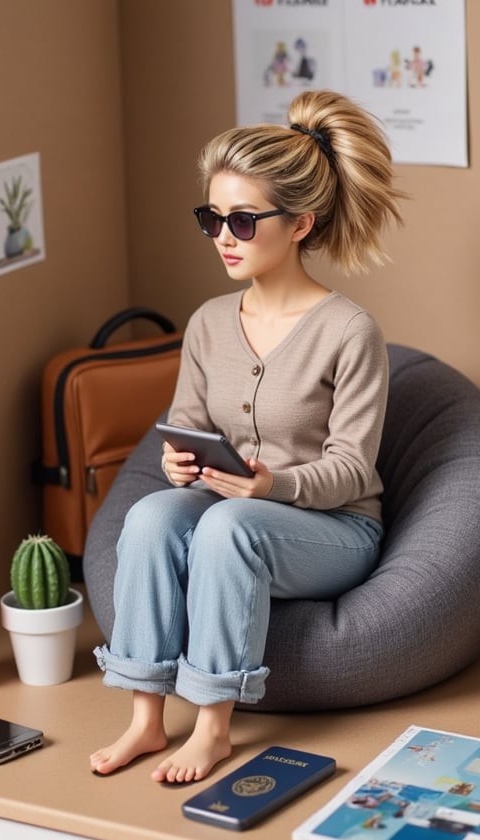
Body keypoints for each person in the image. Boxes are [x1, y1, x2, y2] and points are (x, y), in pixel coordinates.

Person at [90, 90, 404, 784]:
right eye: (211, 218)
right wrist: (179, 463)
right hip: (228, 505)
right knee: (146, 518)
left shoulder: (350, 331)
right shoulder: (206, 322)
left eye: (241, 220)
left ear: (300, 225)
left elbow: (354, 467)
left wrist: (274, 484)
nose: (223, 236)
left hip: (332, 528)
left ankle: (212, 726)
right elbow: (189, 427)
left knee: (230, 528)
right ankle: (145, 719)